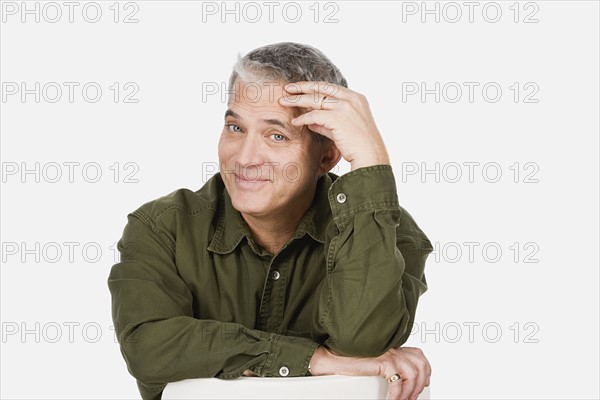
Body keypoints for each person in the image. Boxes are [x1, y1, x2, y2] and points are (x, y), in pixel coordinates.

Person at [108, 42, 433, 400]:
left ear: (326, 156)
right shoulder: (161, 228)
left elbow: (363, 342)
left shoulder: (387, 230)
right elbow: (148, 346)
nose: (245, 158)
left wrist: (371, 162)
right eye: (235, 128)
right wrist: (314, 359)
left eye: (276, 135)